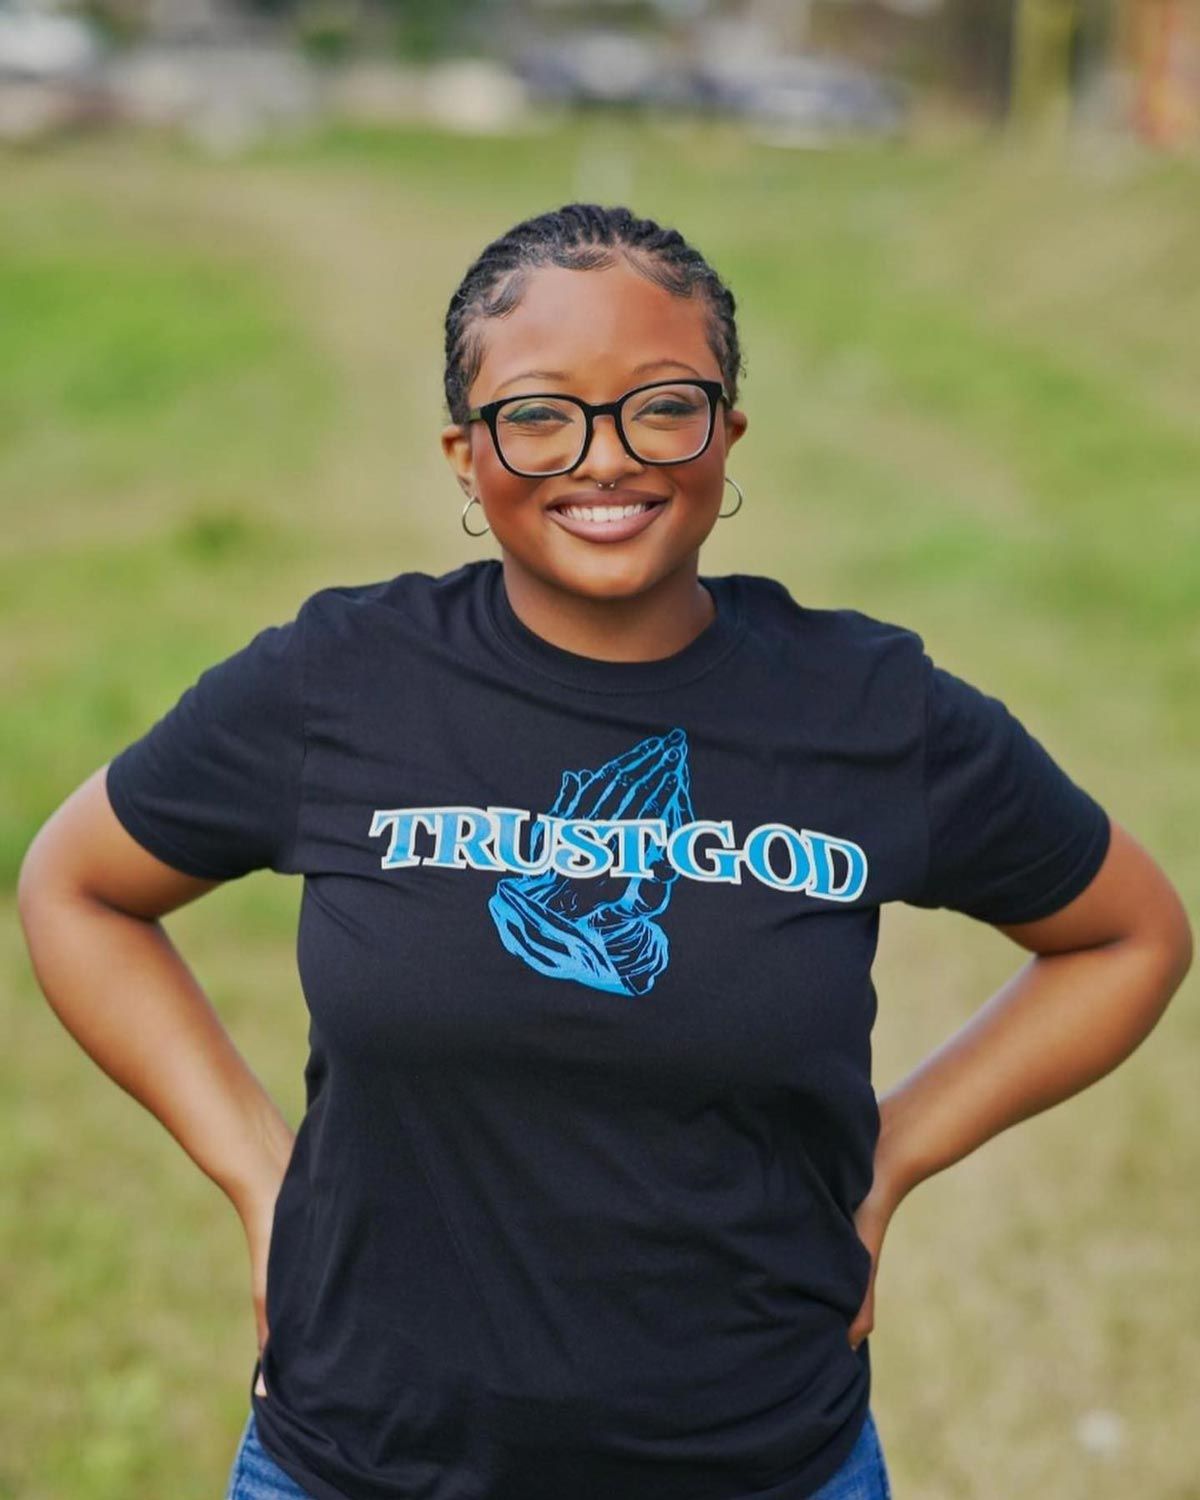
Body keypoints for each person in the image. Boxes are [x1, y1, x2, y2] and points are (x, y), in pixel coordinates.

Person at [16, 202, 1191, 1500]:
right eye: (538, 414)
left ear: (728, 435)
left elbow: (1129, 935)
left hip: (761, 1465)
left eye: (661, 405)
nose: (606, 459)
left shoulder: (869, 708)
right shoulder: (341, 683)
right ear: (465, 458)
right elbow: (76, 887)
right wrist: (256, 1174)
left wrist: (892, 1157)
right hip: (358, 1461)